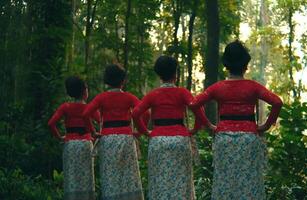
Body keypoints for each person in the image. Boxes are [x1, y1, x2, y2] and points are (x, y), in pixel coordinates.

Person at [190, 40, 283, 200]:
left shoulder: (217, 88)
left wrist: (209, 125)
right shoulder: (253, 87)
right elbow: (277, 102)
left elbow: (194, 104)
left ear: (226, 64)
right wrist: (265, 126)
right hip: (249, 139)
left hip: (224, 139)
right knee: (250, 182)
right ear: (246, 64)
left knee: (224, 182)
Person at [132, 55, 212, 200]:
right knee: (182, 182)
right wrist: (195, 129)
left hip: (158, 141)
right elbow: (198, 108)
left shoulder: (153, 95)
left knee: (159, 182)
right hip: (180, 140)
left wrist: (145, 131)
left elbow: (136, 113)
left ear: (159, 74)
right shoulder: (182, 93)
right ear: (175, 73)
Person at [83, 64, 146, 200]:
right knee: (128, 174)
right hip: (126, 138)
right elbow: (145, 112)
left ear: (107, 79)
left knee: (110, 174)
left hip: (107, 139)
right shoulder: (129, 97)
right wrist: (140, 131)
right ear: (123, 81)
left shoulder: (101, 98)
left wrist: (93, 132)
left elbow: (86, 114)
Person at [48, 76, 98, 200]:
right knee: (86, 177)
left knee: (71, 177)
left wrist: (60, 137)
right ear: (84, 91)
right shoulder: (90, 107)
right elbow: (102, 121)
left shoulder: (66, 107)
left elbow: (51, 124)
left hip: (70, 144)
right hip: (86, 144)